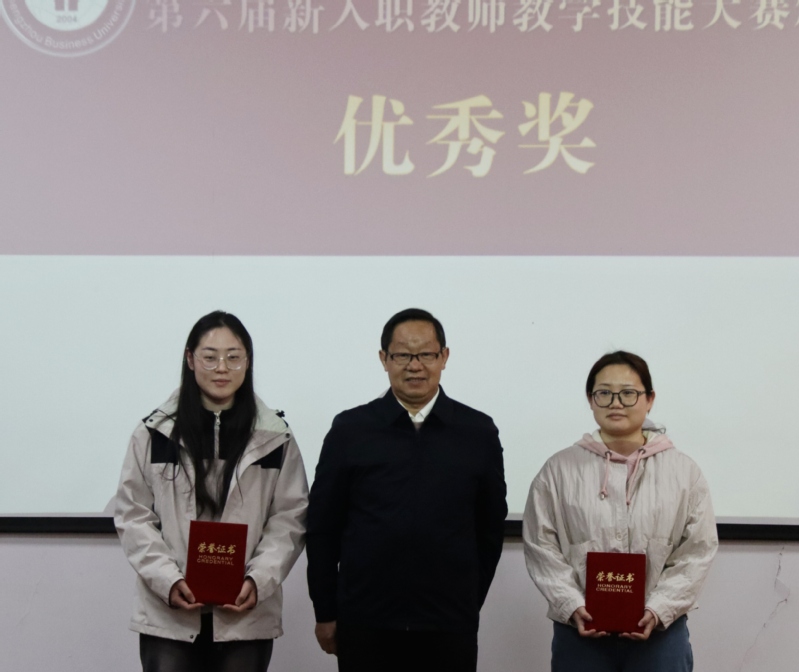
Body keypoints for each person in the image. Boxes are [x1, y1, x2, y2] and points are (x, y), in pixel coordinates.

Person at [306, 308, 508, 672]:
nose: (415, 366)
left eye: (426, 354)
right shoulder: (350, 430)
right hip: (365, 621)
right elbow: (323, 528)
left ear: (444, 357)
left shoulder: (478, 432)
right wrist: (325, 611)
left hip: (449, 624)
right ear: (384, 359)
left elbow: (489, 529)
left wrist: (467, 601)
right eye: (402, 355)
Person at [115, 311, 308, 672]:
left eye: (234, 357)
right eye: (210, 356)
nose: (222, 368)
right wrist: (168, 579)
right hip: (168, 614)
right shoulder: (154, 433)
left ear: (248, 362)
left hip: (244, 613)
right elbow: (133, 514)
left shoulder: (274, 436)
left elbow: (290, 517)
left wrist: (258, 579)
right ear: (190, 359)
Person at [523, 351, 718, 672]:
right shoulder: (557, 471)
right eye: (604, 393)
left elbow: (697, 551)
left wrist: (659, 608)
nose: (616, 403)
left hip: (661, 635)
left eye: (628, 393)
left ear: (649, 399)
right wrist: (571, 603)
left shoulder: (684, 472)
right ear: (591, 399)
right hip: (580, 634)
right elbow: (540, 545)